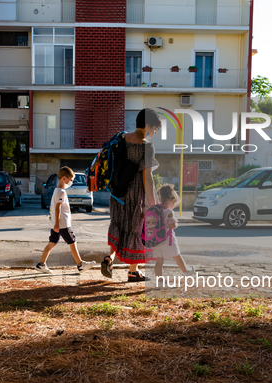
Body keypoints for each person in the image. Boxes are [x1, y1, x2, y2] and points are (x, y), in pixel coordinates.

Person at [101, 108, 160, 282]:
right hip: (135, 196)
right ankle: (133, 272)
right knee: (135, 231)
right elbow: (147, 178)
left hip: (117, 193)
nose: (155, 133)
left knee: (118, 226)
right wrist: (154, 206)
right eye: (155, 129)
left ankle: (109, 259)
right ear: (148, 125)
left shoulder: (121, 138)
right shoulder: (146, 146)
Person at [35, 166, 95, 274]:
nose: (71, 182)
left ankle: (41, 264)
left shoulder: (56, 190)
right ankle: (80, 265)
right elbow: (58, 207)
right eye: (71, 180)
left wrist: (57, 222)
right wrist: (58, 224)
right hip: (62, 224)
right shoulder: (61, 192)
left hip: (57, 223)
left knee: (52, 242)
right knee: (73, 242)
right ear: (64, 178)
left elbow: (58, 207)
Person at [152, 184, 195, 279]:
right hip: (168, 240)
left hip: (157, 240)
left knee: (159, 262)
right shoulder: (169, 212)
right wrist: (175, 224)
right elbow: (172, 226)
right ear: (171, 200)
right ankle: (186, 271)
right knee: (177, 255)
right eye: (174, 203)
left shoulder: (156, 210)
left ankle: (159, 281)